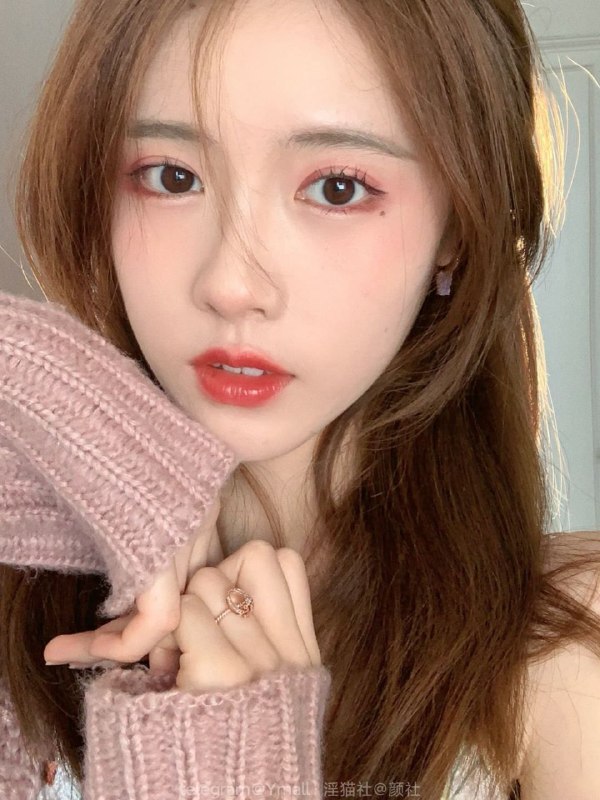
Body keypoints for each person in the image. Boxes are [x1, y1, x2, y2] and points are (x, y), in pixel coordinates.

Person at [2, 0, 600, 797]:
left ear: (458, 227)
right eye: (171, 176)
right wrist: (99, 448)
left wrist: (231, 765)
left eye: (338, 188)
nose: (231, 283)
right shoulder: (23, 593)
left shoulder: (566, 641)